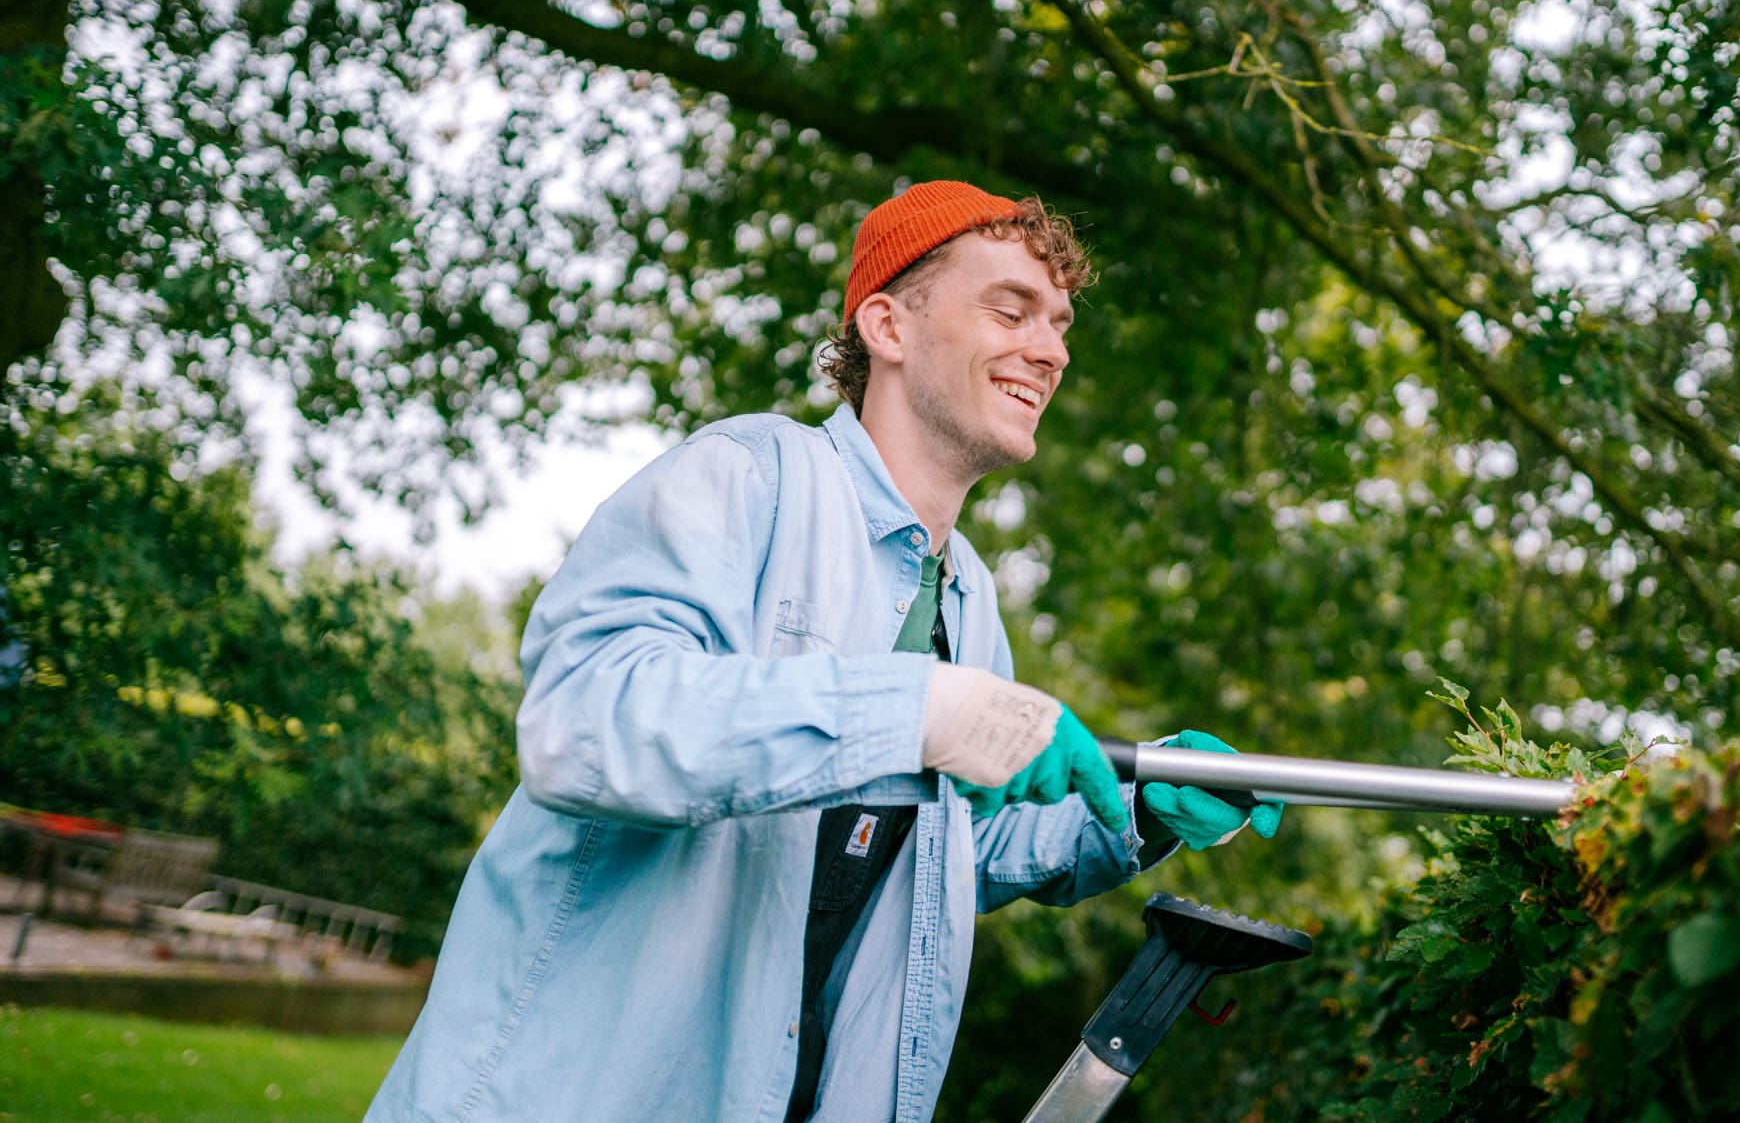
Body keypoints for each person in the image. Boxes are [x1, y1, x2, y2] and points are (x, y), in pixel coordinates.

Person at [367, 180, 1284, 1122]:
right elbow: (588, 721)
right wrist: (921, 710)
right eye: (1010, 310)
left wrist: (1138, 809)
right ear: (887, 326)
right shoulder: (744, 476)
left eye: (1058, 325)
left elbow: (946, 851)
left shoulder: (967, 596)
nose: (1050, 349)